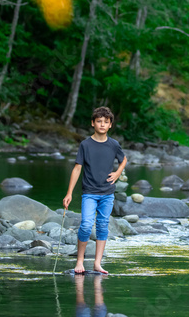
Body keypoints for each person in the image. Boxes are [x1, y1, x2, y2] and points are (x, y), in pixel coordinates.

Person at [63, 106, 127, 274]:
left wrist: (118, 173)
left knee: (103, 225)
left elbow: (124, 159)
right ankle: (80, 261)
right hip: (89, 193)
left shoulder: (114, 145)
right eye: (99, 121)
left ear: (110, 125)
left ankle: (97, 263)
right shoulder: (86, 144)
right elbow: (77, 168)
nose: (102, 124)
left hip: (107, 193)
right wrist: (69, 193)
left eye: (106, 122)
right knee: (85, 225)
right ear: (93, 123)